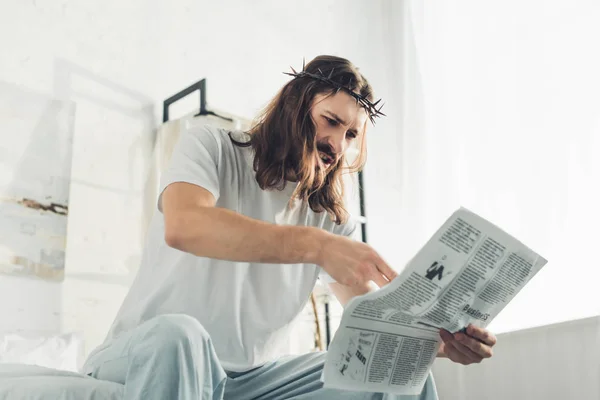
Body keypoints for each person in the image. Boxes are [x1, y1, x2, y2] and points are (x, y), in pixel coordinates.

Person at [83, 55, 497, 399]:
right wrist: (315, 246)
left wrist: (436, 343)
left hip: (251, 382)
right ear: (295, 106)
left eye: (351, 134)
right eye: (330, 121)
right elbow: (185, 225)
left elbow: (373, 320)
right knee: (181, 335)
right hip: (151, 352)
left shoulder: (330, 217)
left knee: (393, 377)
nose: (338, 144)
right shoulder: (210, 146)